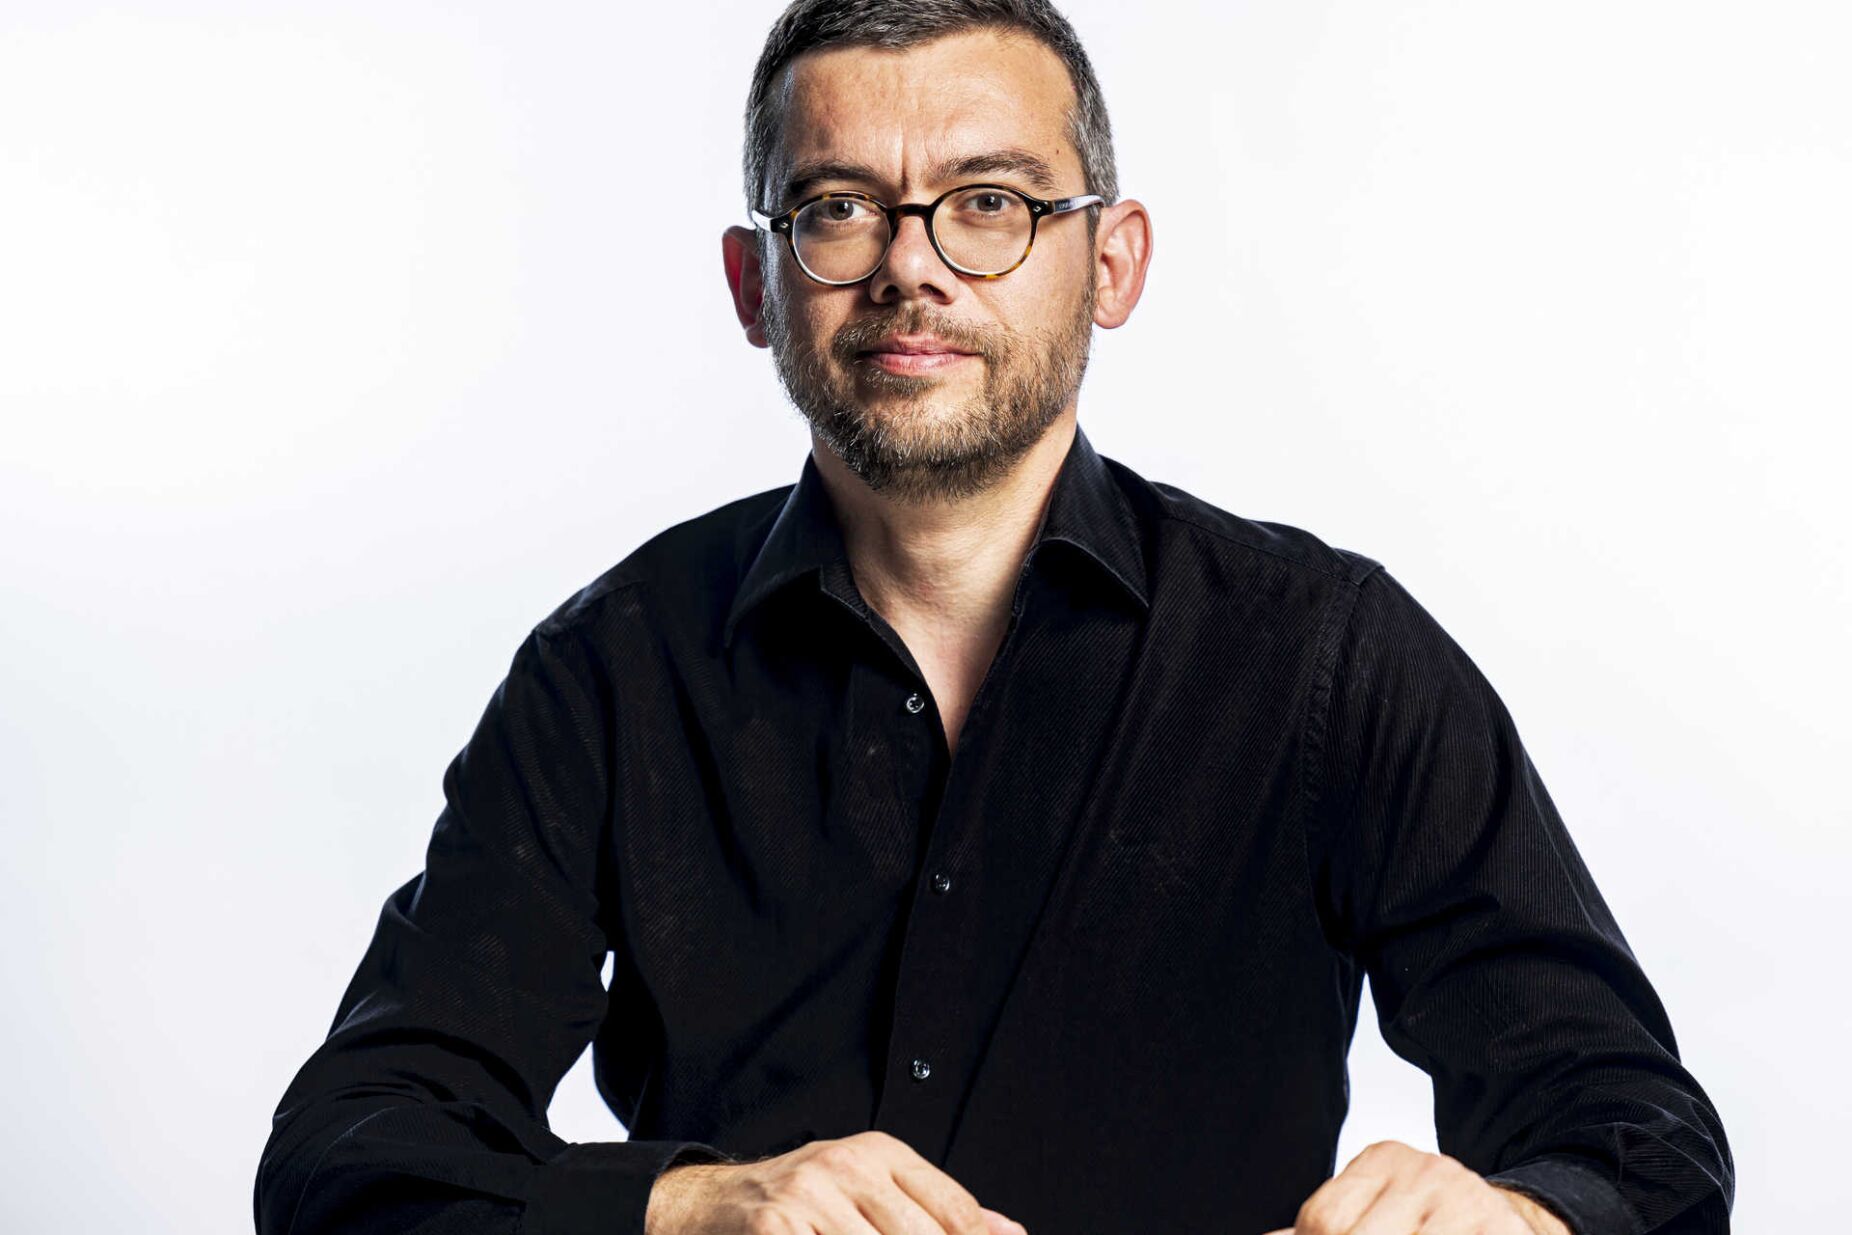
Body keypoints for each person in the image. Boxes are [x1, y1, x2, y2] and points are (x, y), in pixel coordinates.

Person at [253, 2, 1733, 1233]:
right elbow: (348, 1160)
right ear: (755, 285)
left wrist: (1521, 1218)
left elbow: (1638, 1136)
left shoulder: (1327, 657)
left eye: (990, 205)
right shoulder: (612, 672)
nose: (912, 264)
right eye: (839, 209)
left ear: (1114, 262)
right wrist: (687, 1207)